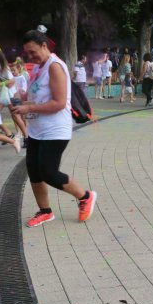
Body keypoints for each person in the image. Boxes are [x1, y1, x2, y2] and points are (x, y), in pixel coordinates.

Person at [12, 30, 97, 227]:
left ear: (44, 46)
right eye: (27, 53)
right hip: (37, 130)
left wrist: (29, 107)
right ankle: (45, 211)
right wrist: (21, 97)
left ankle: (85, 196)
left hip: (55, 130)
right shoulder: (38, 68)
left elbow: (59, 103)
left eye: (33, 51)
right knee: (33, 171)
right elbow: (35, 94)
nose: (30, 56)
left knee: (48, 172)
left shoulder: (55, 66)